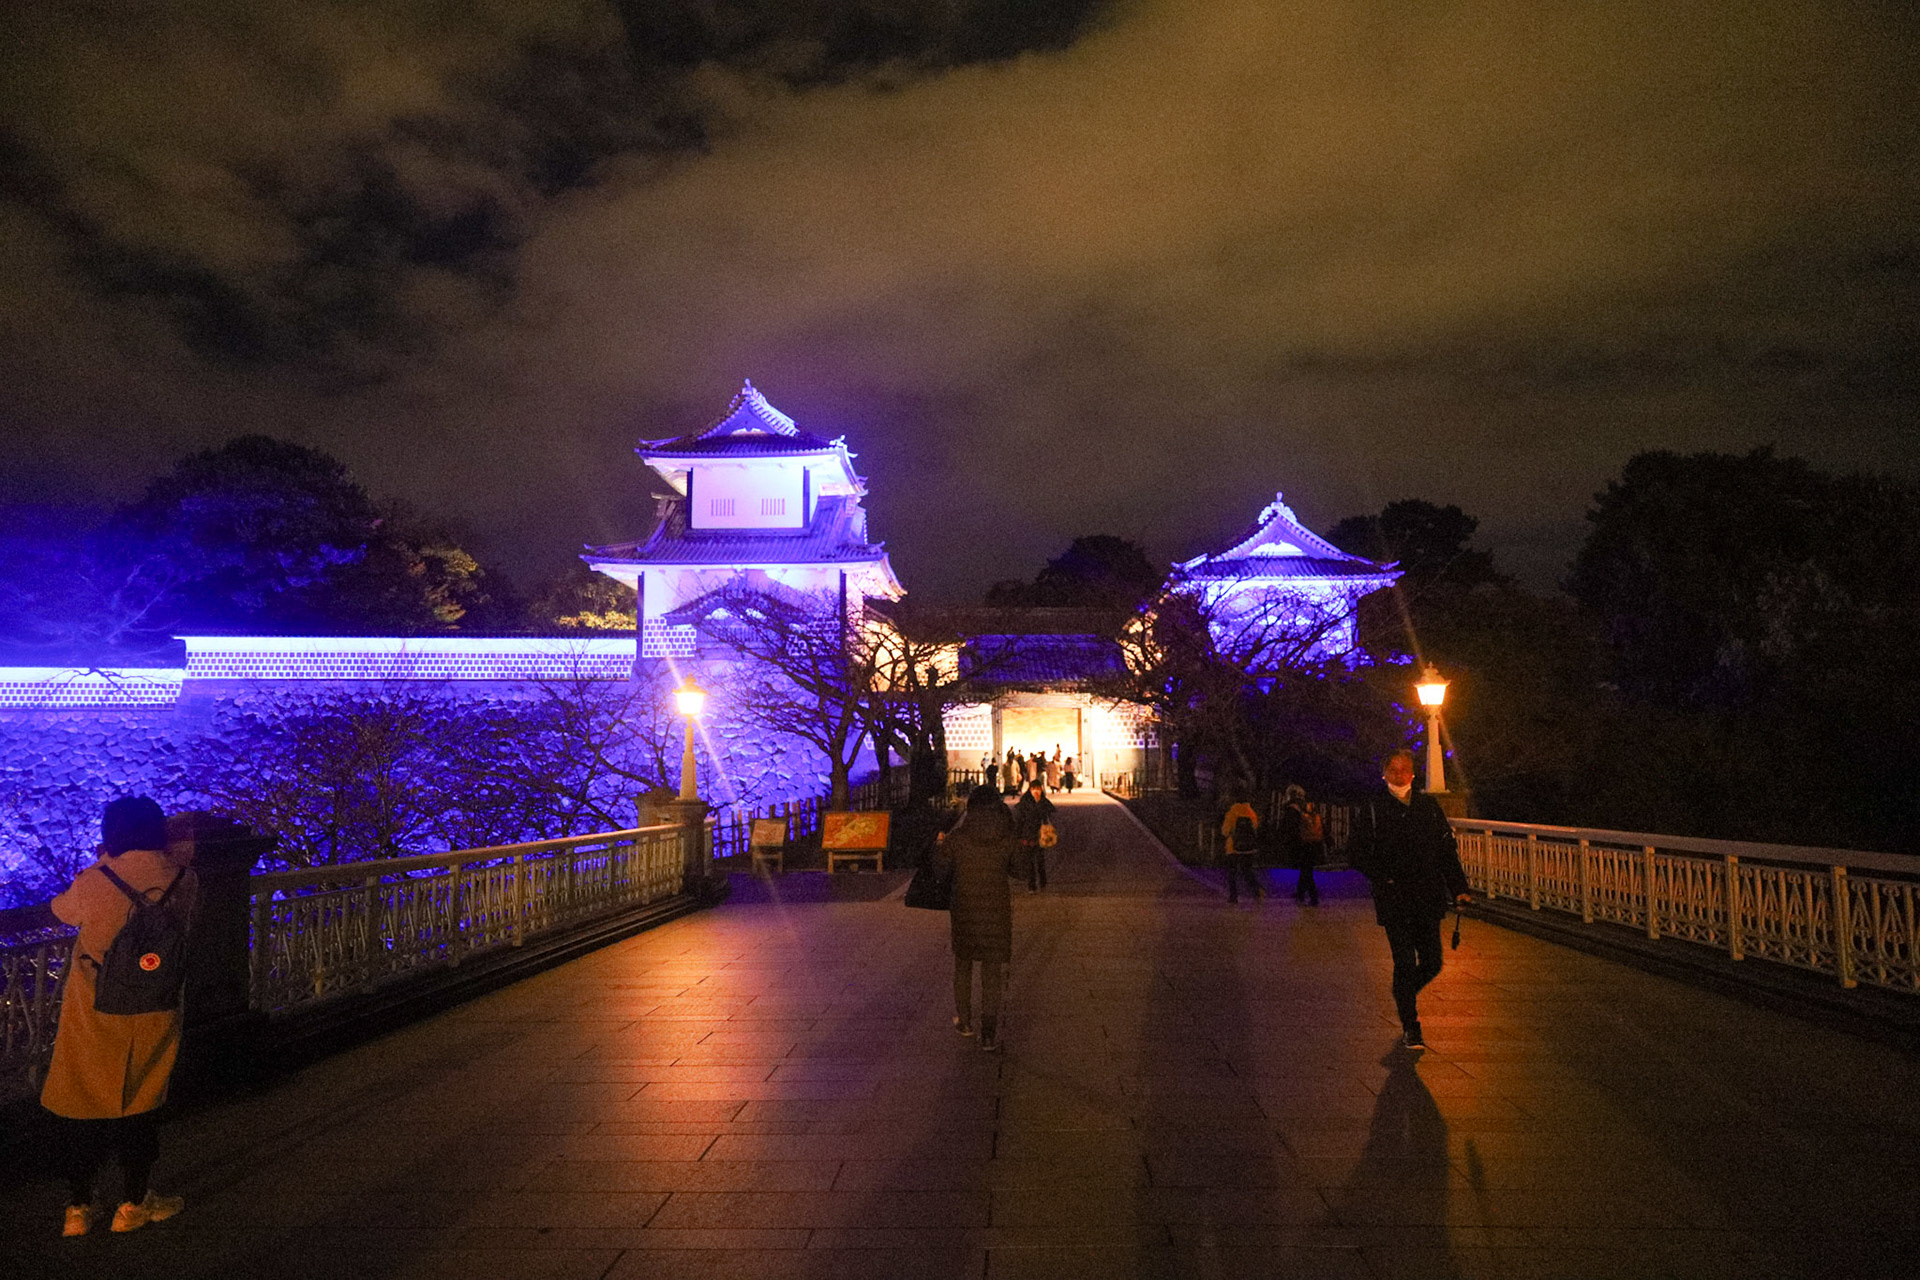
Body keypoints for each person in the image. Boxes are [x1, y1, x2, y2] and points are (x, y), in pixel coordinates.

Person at [42, 796, 198, 1237]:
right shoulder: (185, 879)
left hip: (94, 1012)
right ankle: (132, 1204)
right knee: (142, 1103)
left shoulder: (95, 880)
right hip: (154, 1006)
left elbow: (61, 911)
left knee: (83, 1102)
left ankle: (78, 1207)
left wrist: (103, 863)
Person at [1349, 751, 1471, 1050]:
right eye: (1393, 769)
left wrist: (1459, 888)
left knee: (1432, 961)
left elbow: (1446, 851)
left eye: (1405, 770)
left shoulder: (1428, 807)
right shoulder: (1373, 809)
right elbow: (1357, 852)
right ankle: (1411, 1025)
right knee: (1404, 961)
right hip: (1394, 898)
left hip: (1427, 897)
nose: (1399, 774)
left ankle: (1403, 993)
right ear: (1384, 773)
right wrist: (1383, 875)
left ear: (1413, 774)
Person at [935, 786, 1018, 1051]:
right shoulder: (1006, 837)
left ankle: (965, 1021)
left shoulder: (958, 838)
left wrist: (940, 845)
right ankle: (990, 1033)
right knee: (992, 971)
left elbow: (940, 872)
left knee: (964, 965)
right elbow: (1019, 870)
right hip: (997, 911)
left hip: (965, 911)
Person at [1281, 785, 1324, 906]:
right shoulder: (1307, 808)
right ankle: (1300, 893)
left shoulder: (1293, 810)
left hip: (1302, 844)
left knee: (1306, 872)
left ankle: (1313, 897)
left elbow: (1290, 829)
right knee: (1306, 869)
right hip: (1313, 843)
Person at [1013, 776, 1056, 892]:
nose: (1036, 791)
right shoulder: (1025, 802)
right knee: (1030, 862)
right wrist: (1018, 836)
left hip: (1041, 834)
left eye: (1039, 789)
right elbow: (1019, 820)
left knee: (1040, 860)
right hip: (1028, 834)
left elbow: (1050, 813)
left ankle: (1043, 882)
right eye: (1034, 789)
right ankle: (1031, 886)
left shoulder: (1043, 801)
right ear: (1030, 789)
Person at [1219, 790, 1262, 904]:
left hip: (1233, 847)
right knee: (1247, 870)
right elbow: (1255, 829)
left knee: (1232, 872)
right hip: (1248, 848)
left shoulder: (1232, 812)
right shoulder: (1252, 813)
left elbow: (1225, 831)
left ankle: (1233, 896)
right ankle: (1257, 890)